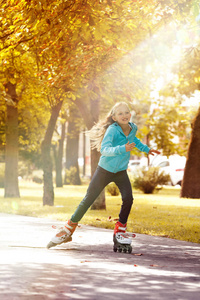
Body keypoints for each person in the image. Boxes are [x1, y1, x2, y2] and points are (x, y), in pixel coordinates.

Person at [47, 102, 160, 251]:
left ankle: (120, 230)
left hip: (120, 171)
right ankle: (69, 229)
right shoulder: (112, 130)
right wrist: (122, 149)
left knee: (128, 198)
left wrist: (147, 149)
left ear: (130, 114)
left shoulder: (133, 128)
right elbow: (104, 149)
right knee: (88, 199)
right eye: (120, 114)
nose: (124, 115)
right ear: (114, 117)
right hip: (104, 170)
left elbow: (134, 141)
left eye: (126, 112)